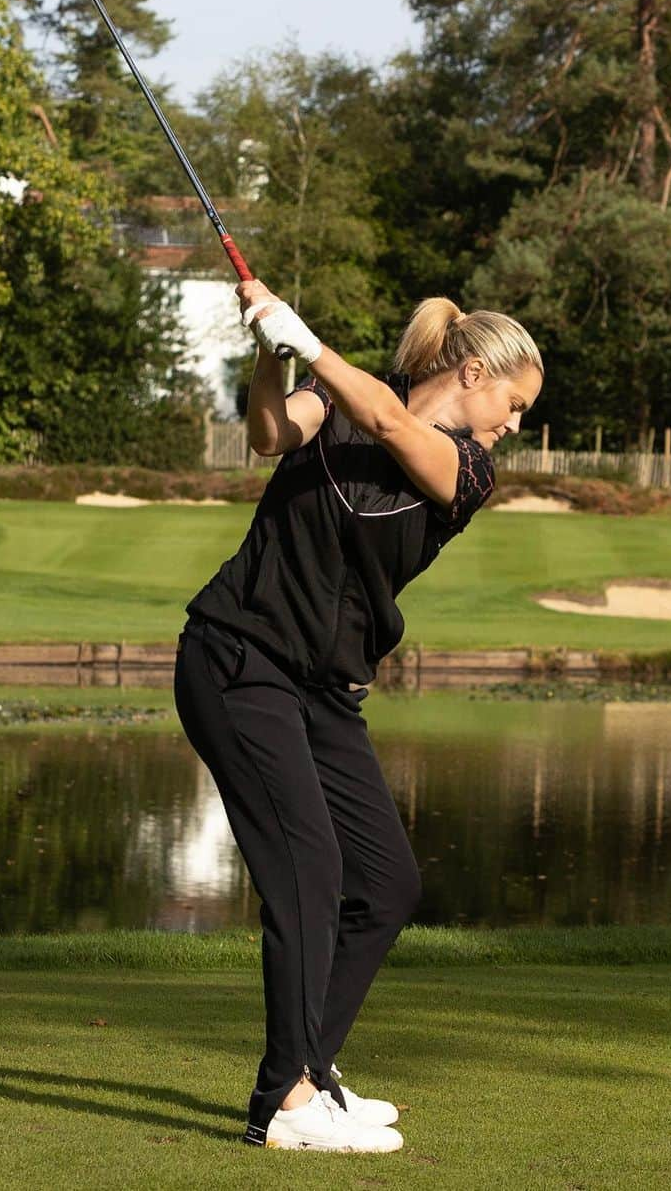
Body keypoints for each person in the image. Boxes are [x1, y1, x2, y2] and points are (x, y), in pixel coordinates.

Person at [174, 279, 543, 1153]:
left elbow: (385, 421)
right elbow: (269, 435)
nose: (517, 425)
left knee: (384, 885)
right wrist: (272, 347)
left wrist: (308, 337)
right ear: (476, 370)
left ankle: (313, 1071)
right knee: (308, 870)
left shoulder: (467, 469)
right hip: (240, 657)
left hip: (325, 689)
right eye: (516, 403)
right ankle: (286, 1102)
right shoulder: (334, 402)